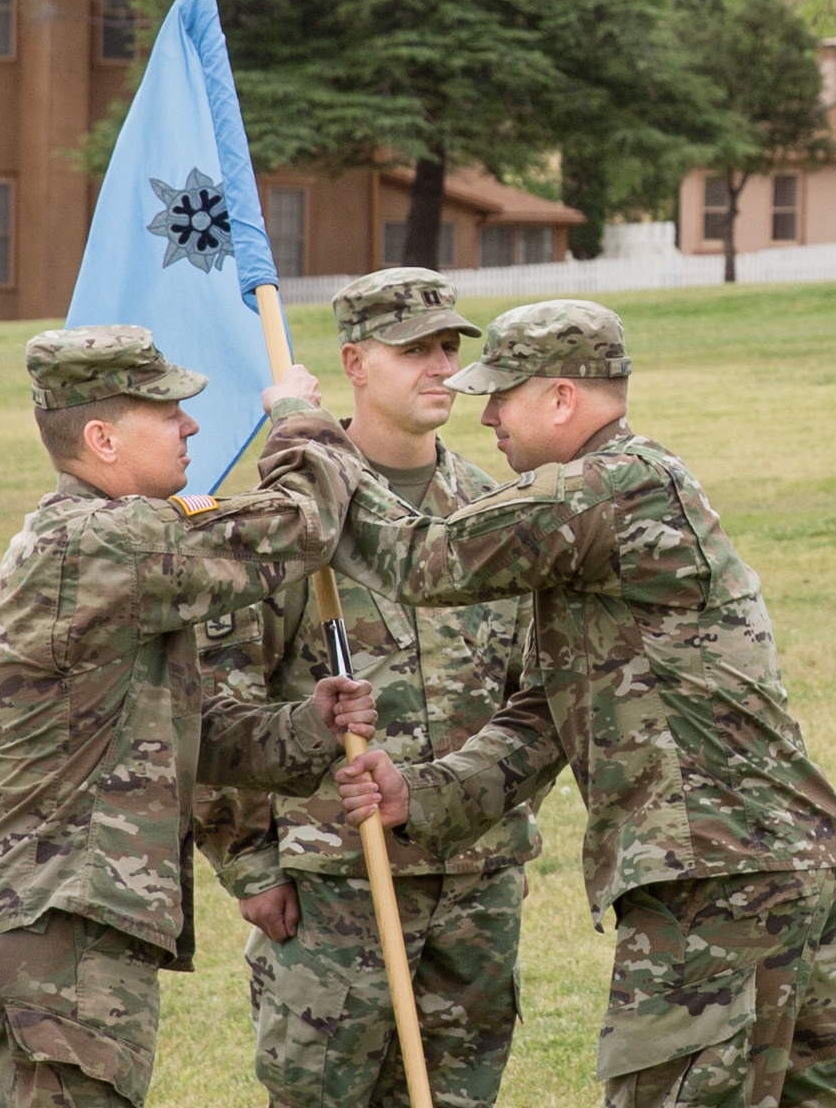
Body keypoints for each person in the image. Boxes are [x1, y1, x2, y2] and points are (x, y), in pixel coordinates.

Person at [266, 298, 836, 1107]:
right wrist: (426, 793)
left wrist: (308, 433)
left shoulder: (605, 488)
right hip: (787, 866)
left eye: (501, 396)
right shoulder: (597, 524)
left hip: (718, 884)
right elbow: (539, 719)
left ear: (560, 398)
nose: (485, 420)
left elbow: (423, 557)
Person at [0, 324, 377, 1108]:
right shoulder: (106, 544)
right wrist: (302, 420)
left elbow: (173, 739)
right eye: (166, 409)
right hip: (56, 932)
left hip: (17, 921)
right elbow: (302, 524)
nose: (192, 424)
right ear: (100, 437)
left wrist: (306, 725)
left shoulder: (83, 550)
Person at [195, 268, 539, 1108]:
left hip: (475, 881)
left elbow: (531, 696)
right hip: (332, 886)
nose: (441, 367)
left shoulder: (493, 513)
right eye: (412, 349)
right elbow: (212, 709)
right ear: (353, 360)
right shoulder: (291, 523)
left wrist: (505, 836)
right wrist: (250, 867)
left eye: (450, 346)